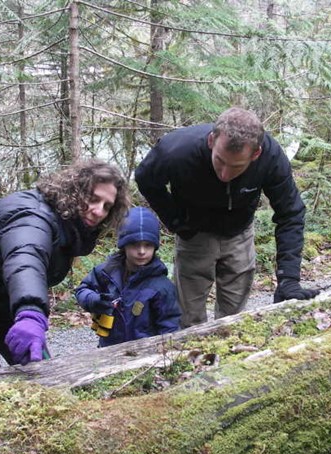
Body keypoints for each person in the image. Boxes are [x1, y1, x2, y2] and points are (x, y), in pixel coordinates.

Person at [0, 159, 130, 373]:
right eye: (93, 199)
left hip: (2, 306)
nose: (98, 211)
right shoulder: (32, 215)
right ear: (75, 190)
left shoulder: (69, 225)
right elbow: (25, 258)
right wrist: (30, 313)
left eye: (107, 206)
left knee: (42, 374)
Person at [134, 107, 318, 327]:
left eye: (236, 166)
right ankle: (191, 356)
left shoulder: (270, 157)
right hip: (194, 234)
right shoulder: (178, 150)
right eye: (220, 160)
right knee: (188, 317)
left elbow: (290, 213)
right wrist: (176, 221)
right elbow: (145, 178)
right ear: (212, 140)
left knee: (234, 319)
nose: (225, 174)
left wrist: (288, 278)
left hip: (239, 233)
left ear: (255, 154)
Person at [75, 206, 181, 347]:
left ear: (155, 247)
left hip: (144, 355)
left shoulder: (162, 287)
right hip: (108, 350)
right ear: (123, 245)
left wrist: (167, 354)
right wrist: (94, 300)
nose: (142, 251)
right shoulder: (107, 271)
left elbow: (170, 327)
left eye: (148, 245)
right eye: (135, 245)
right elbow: (83, 289)